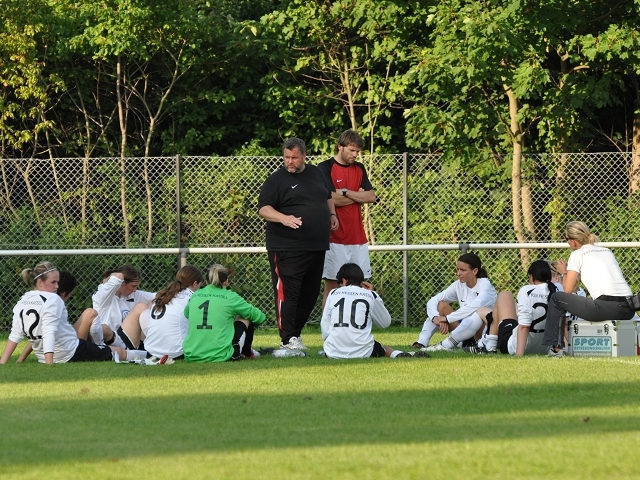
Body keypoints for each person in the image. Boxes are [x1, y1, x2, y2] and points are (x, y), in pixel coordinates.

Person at [258, 137, 339, 351]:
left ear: (304, 156)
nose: (290, 161)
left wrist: (331, 214)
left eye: (294, 157)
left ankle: (296, 334)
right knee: (289, 293)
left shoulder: (317, 173)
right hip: (287, 246)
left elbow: (328, 195)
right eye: (286, 157)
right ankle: (287, 338)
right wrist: (284, 218)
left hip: (316, 245)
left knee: (310, 293)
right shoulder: (276, 179)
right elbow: (264, 209)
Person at [0, 262, 130, 364]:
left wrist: (8, 361)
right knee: (122, 353)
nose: (56, 286)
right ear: (40, 282)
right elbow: (48, 331)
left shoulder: (24, 299)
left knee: (100, 328)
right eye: (53, 282)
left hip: (44, 356)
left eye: (57, 282)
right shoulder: (53, 299)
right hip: (69, 351)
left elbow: (17, 333)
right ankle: (146, 355)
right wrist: (50, 364)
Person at [542, 221, 636, 357]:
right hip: (629, 308)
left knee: (556, 298)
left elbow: (567, 290)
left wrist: (563, 272)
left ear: (573, 241)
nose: (568, 243)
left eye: (567, 239)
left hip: (606, 307)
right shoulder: (606, 251)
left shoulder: (577, 254)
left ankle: (556, 349)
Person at [317, 130, 376, 308]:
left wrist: (344, 192)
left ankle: (360, 324)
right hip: (335, 238)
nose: (355, 154)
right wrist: (357, 195)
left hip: (358, 237)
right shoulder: (325, 167)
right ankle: (328, 330)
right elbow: (330, 198)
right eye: (351, 150)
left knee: (361, 285)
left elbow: (371, 197)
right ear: (340, 147)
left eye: (357, 151)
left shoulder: (359, 168)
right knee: (333, 286)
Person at [321, 263, 428, 359]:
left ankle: (399, 355)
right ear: (361, 281)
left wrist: (329, 342)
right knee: (384, 348)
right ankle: (398, 354)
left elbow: (325, 324)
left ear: (344, 280)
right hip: (363, 351)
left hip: (333, 352)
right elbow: (385, 323)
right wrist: (374, 295)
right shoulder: (370, 295)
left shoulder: (333, 293)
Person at [467, 260, 559, 355]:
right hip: (544, 349)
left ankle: (490, 344)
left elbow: (524, 327)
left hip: (518, 346)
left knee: (505, 295)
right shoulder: (556, 291)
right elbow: (562, 325)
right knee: (514, 306)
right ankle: (487, 342)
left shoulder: (527, 290)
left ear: (532, 277)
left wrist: (519, 355)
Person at [182, 264, 266, 363]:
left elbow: (187, 314)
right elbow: (259, 317)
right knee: (246, 316)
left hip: (191, 355)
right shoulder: (230, 297)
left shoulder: (195, 295)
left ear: (206, 281)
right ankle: (246, 353)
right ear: (226, 281)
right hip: (221, 356)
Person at [414, 252, 497, 351]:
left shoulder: (485, 285)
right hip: (462, 328)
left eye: (463, 270)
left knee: (478, 313)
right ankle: (421, 343)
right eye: (457, 269)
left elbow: (475, 307)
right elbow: (433, 300)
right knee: (441, 305)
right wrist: (435, 317)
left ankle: (469, 343)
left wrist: (447, 319)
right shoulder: (458, 285)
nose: (458, 274)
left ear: (475, 271)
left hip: (481, 332)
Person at [119, 265, 204, 359]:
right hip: (176, 353)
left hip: (151, 351)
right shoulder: (192, 298)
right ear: (195, 283)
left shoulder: (164, 294)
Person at [90, 265, 156, 349]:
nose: (135, 290)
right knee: (141, 307)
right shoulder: (104, 295)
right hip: (110, 341)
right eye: (133, 286)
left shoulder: (133, 294)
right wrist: (108, 278)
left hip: (128, 340)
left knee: (154, 302)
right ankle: (156, 343)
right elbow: (119, 276)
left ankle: (155, 343)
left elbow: (158, 296)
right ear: (122, 283)